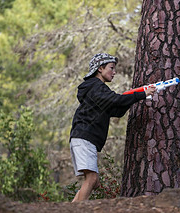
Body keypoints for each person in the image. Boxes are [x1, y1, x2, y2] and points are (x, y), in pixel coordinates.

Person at [69, 53, 156, 202]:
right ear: (100, 69)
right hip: (84, 138)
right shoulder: (95, 86)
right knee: (92, 178)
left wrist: (134, 96)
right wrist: (141, 94)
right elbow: (116, 99)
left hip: (83, 139)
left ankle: (71, 207)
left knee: (94, 182)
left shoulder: (98, 91)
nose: (114, 72)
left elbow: (116, 110)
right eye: (111, 68)